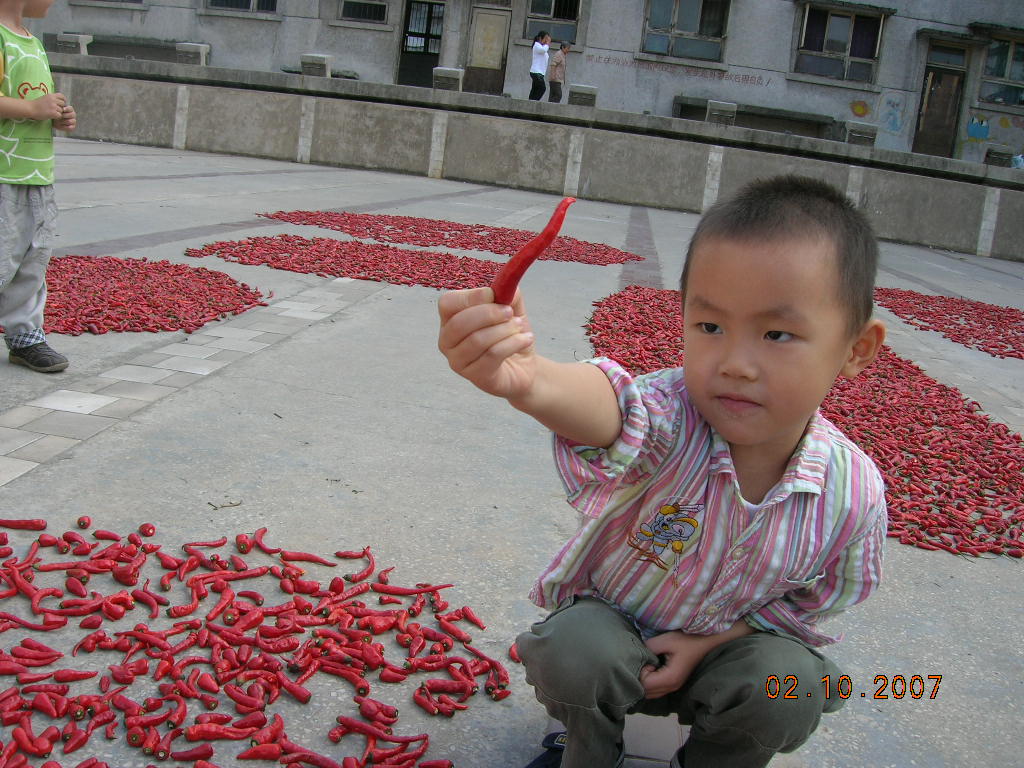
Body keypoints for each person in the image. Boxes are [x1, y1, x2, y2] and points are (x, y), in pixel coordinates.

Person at [437, 175, 888, 768]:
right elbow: (614, 409)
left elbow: (820, 598)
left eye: (777, 334)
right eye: (709, 327)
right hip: (612, 646)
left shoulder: (852, 492)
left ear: (856, 349)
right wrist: (533, 379)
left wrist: (717, 643)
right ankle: (584, 749)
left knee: (796, 684)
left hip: (728, 665)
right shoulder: (671, 416)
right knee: (573, 650)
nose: (735, 364)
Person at [0, 0, 75, 372]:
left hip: (36, 173)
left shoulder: (31, 40)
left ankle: (24, 335)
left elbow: (32, 98)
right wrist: (33, 110)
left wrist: (56, 116)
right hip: (3, 172)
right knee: (2, 256)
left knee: (33, 257)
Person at [529, 31, 551, 101]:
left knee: (535, 89)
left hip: (540, 73)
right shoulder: (537, 45)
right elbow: (543, 50)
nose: (546, 41)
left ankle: (531, 102)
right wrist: (547, 44)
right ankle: (534, 102)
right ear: (540, 38)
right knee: (542, 88)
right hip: (536, 72)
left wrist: (546, 44)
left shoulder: (541, 47)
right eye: (545, 39)